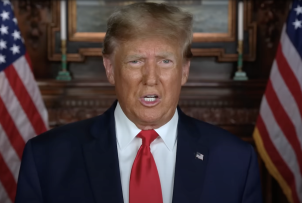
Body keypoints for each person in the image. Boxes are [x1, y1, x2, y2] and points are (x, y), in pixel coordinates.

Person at [15, 2, 262, 203]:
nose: (151, 78)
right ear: (110, 68)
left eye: (165, 61)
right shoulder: (47, 158)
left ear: (185, 70)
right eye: (135, 61)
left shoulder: (236, 161)